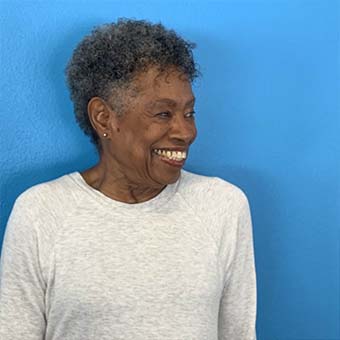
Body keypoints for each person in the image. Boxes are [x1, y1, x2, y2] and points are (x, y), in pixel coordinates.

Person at [0, 19, 257, 340]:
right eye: (163, 114)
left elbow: (239, 334)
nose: (186, 132)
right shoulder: (40, 212)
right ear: (104, 117)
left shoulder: (222, 206)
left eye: (189, 113)